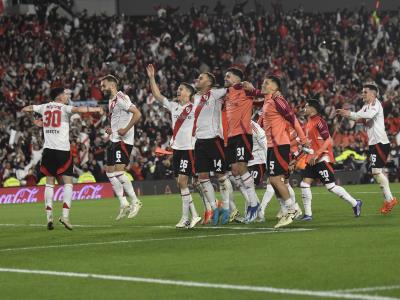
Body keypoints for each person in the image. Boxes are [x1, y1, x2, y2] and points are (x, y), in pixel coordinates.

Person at [21, 87, 103, 230]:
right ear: (59, 97)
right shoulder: (64, 108)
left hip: (48, 151)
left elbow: (26, 109)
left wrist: (35, 121)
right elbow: (80, 110)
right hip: (62, 151)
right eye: (65, 94)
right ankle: (65, 216)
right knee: (68, 183)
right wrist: (96, 109)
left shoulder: (43, 107)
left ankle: (49, 217)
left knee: (49, 183)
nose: (67, 96)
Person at [245, 75, 308, 228]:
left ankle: (291, 210)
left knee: (275, 180)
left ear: (275, 87)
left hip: (280, 145)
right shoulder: (267, 100)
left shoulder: (278, 100)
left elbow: (293, 119)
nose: (263, 84)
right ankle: (291, 209)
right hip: (272, 146)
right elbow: (256, 94)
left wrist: (303, 138)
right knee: (275, 181)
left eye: (267, 83)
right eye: (263, 82)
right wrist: (251, 89)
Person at [146, 64, 202, 229]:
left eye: (182, 89)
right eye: (178, 89)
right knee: (179, 183)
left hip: (189, 149)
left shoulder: (194, 108)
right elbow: (157, 95)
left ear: (190, 93)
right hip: (177, 150)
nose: (178, 91)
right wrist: (151, 78)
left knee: (183, 181)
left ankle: (186, 218)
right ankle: (195, 214)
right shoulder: (174, 106)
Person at [337, 82, 398, 214]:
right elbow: (357, 116)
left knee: (376, 172)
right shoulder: (366, 106)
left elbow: (366, 116)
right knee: (376, 172)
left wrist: (351, 114)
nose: (362, 94)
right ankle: (389, 199)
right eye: (362, 91)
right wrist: (346, 115)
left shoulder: (376, 104)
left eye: (365, 92)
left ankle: (390, 199)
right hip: (373, 144)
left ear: (373, 93)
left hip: (380, 142)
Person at [299, 99, 362, 220]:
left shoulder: (319, 121)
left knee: (331, 187)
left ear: (313, 108)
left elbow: (328, 140)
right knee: (304, 183)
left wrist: (317, 154)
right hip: (311, 159)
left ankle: (355, 203)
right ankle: (308, 214)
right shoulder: (308, 123)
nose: (304, 108)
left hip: (322, 158)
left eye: (306, 106)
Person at [193, 72, 233, 225]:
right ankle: (214, 208)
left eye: (201, 78)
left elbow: (232, 88)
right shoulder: (196, 98)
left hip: (214, 140)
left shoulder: (216, 94)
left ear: (209, 82)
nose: (198, 79)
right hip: (200, 142)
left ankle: (227, 208)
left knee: (221, 176)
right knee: (202, 178)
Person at [100, 75, 143, 221]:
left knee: (119, 172)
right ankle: (124, 203)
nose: (101, 88)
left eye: (103, 86)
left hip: (123, 141)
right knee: (109, 172)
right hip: (114, 139)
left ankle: (135, 201)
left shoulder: (121, 97)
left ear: (112, 85)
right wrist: (111, 129)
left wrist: (125, 129)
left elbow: (137, 114)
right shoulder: (111, 101)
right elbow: (118, 119)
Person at [223, 68, 260, 223]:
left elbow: (263, 98)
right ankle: (255, 205)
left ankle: (253, 205)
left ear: (237, 79)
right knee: (235, 170)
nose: (225, 77)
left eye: (228, 76)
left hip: (243, 134)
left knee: (242, 167)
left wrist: (253, 90)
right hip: (230, 137)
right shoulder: (225, 94)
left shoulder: (245, 89)